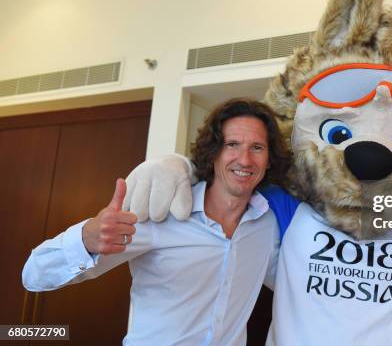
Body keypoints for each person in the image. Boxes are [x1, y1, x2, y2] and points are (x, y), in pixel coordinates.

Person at [22, 98, 291, 345]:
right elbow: (34, 274)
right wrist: (86, 238)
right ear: (214, 152)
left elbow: (297, 284)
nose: (244, 159)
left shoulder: (267, 226)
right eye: (232, 144)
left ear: (268, 160)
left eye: (257, 147)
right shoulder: (159, 214)